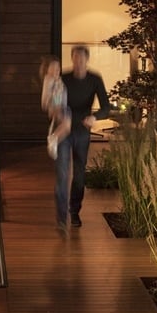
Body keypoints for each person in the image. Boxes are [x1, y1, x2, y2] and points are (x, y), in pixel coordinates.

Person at [55, 45, 111, 232]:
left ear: (86, 60)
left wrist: (94, 117)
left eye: (81, 59)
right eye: (75, 58)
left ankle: (74, 211)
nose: (78, 62)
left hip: (82, 131)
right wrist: (58, 115)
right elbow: (55, 102)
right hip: (64, 130)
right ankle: (61, 217)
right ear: (72, 59)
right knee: (63, 173)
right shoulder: (64, 78)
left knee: (79, 174)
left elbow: (106, 106)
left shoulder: (94, 79)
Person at [40, 56, 71, 159]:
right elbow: (49, 97)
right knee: (66, 125)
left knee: (67, 127)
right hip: (58, 107)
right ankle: (53, 139)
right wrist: (53, 107)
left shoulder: (57, 80)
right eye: (53, 67)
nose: (56, 69)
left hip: (62, 106)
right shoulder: (49, 79)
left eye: (58, 67)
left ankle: (54, 140)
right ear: (47, 69)